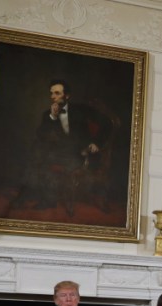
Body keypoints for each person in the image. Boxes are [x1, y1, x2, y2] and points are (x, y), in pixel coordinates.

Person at [20, 79, 113, 210]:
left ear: (67, 95)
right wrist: (52, 117)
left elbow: (107, 123)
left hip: (83, 153)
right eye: (51, 93)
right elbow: (41, 135)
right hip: (62, 153)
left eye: (57, 93)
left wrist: (96, 142)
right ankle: (44, 199)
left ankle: (31, 195)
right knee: (37, 154)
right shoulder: (48, 114)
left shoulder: (81, 109)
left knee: (40, 157)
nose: (53, 97)